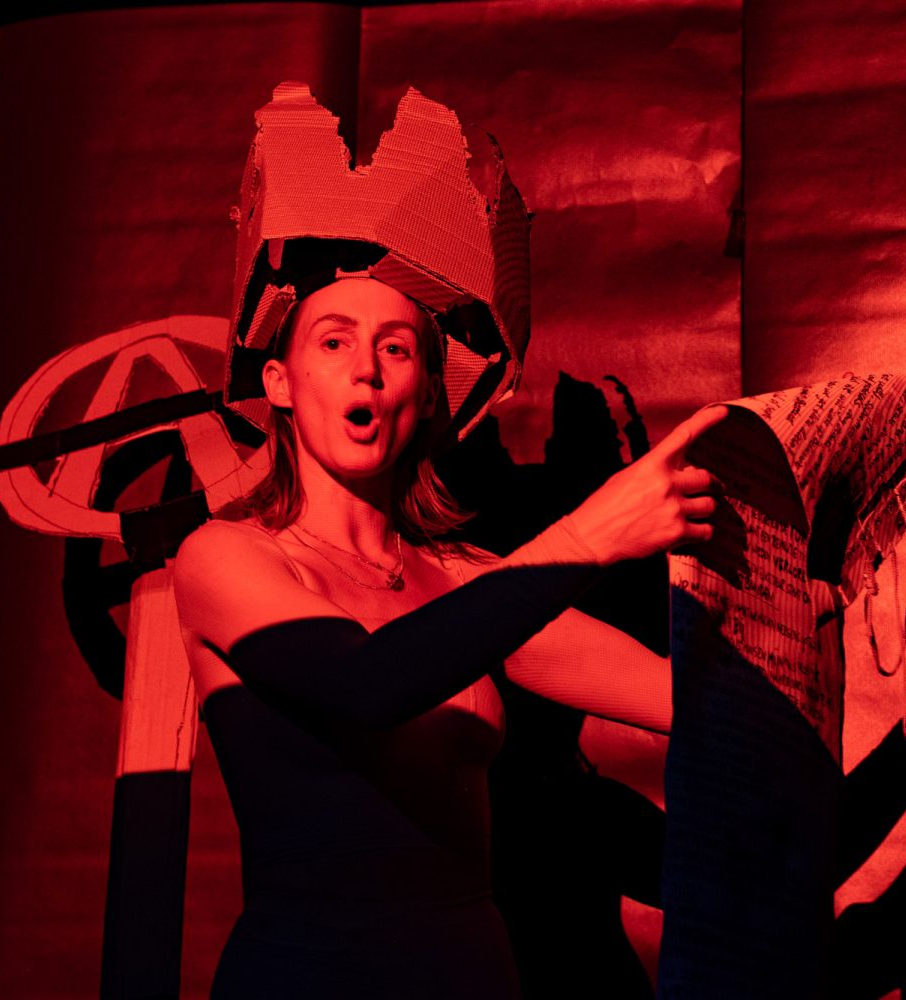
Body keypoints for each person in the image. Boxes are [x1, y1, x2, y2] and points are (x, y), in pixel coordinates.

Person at [172, 267, 724, 996]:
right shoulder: (224, 555)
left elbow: (692, 701)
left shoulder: (467, 578)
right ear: (280, 383)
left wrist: (814, 613)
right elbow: (367, 685)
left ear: (429, 392)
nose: (366, 369)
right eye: (334, 342)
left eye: (395, 348)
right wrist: (590, 534)